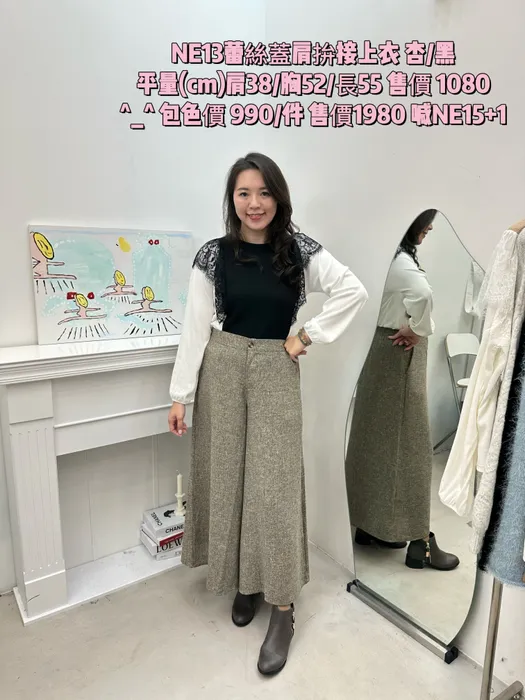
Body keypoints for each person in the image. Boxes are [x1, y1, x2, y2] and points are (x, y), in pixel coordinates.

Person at [167, 152, 368, 676]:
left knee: (274, 487)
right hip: (222, 364)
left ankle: (281, 606)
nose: (254, 203)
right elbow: (194, 327)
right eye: (243, 193)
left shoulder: (299, 252)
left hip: (277, 368)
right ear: (231, 199)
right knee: (228, 478)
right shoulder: (213, 256)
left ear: (278, 198)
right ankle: (244, 581)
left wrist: (307, 335)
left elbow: (353, 290)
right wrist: (180, 394)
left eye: (263, 192)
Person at [345, 209, 460, 571]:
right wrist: (418, 328)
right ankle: (419, 543)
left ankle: (371, 527)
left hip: (378, 352)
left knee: (374, 442)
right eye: (425, 223)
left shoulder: (381, 256)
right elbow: (422, 294)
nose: (430, 228)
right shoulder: (401, 262)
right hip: (399, 352)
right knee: (412, 448)